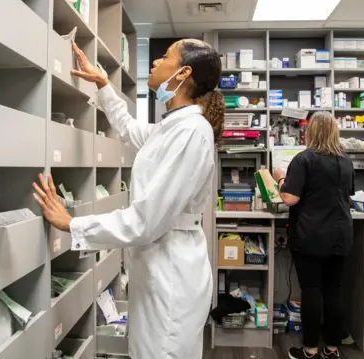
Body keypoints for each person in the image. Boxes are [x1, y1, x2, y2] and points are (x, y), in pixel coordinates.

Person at [32, 39, 224, 359]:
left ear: (183, 73)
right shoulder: (174, 126)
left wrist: (73, 223)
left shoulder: (192, 131)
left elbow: (145, 221)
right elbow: (131, 130)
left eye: (165, 57)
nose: (155, 62)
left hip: (170, 276)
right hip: (157, 269)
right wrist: (104, 86)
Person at [272, 112, 354, 359]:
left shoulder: (304, 159)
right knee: (333, 291)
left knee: (311, 290)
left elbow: (289, 198)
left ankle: (309, 350)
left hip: (310, 235)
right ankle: (331, 348)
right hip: (340, 234)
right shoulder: (345, 160)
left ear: (311, 132)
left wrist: (280, 179)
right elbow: (348, 197)